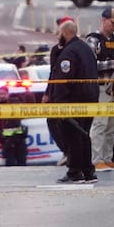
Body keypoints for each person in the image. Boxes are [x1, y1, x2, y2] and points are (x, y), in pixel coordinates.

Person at [49, 20, 100, 183]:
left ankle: (74, 171)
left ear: (65, 33)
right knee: (84, 136)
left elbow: (63, 79)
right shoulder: (86, 49)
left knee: (73, 137)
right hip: (90, 98)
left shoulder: (69, 53)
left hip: (73, 101)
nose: (58, 37)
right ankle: (88, 171)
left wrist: (59, 102)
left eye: (59, 34)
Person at [86, 7, 114, 172]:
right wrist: (111, 64)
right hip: (101, 87)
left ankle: (107, 158)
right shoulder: (93, 40)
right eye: (113, 23)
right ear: (103, 20)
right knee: (100, 125)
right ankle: (96, 159)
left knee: (112, 125)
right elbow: (89, 65)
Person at [42, 16, 75, 166]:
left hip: (71, 94)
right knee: (53, 122)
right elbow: (53, 72)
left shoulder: (76, 48)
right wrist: (48, 93)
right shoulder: (56, 50)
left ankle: (72, 153)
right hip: (57, 93)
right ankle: (66, 151)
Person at [0, 85, 28, 166]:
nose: (2, 96)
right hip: (6, 140)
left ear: (8, 94)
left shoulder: (15, 103)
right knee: (10, 163)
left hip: (18, 139)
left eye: (4, 93)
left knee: (21, 162)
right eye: (0, 94)